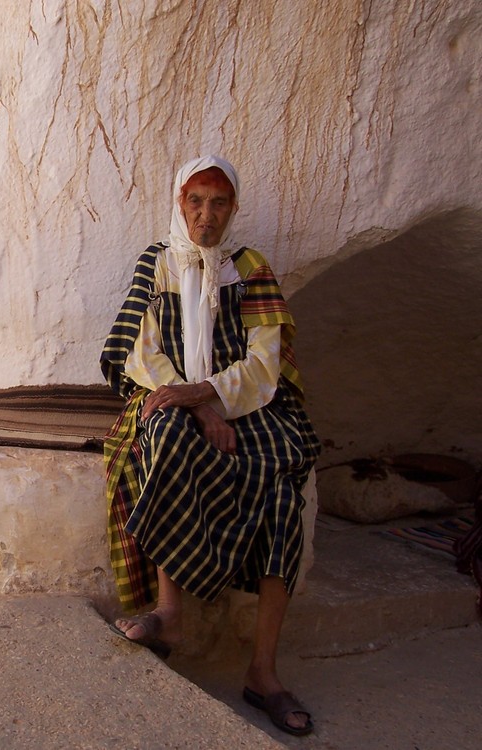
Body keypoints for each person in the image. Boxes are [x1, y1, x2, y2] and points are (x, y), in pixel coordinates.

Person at [100, 155, 321, 737]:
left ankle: (263, 673)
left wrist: (215, 398)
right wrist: (198, 406)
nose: (206, 215)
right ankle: (170, 615)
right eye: (195, 201)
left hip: (247, 406)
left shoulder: (250, 269)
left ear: (234, 208)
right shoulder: (157, 264)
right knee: (168, 435)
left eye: (218, 203)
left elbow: (264, 364)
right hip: (181, 402)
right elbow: (139, 353)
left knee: (279, 485)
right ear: (180, 204)